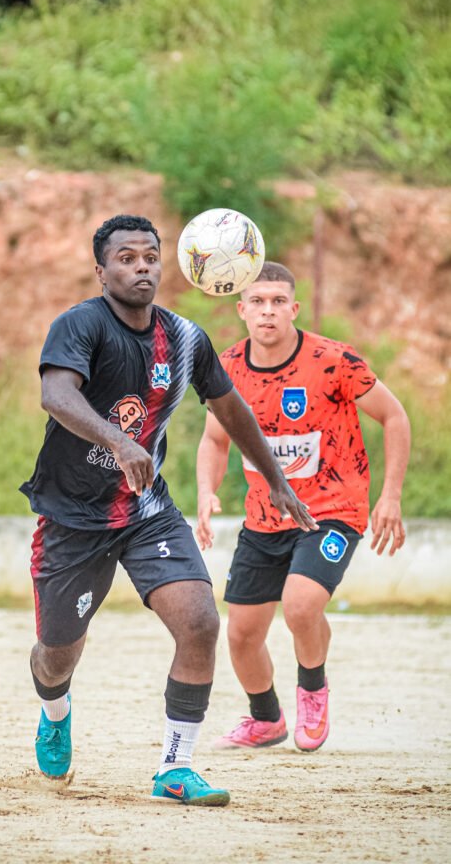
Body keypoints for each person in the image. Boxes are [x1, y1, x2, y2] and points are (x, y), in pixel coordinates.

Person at [20, 216, 316, 805]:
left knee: (201, 622)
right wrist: (122, 442)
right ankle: (56, 711)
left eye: (151, 257)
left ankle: (175, 767)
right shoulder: (80, 325)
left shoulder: (185, 340)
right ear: (100, 268)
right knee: (57, 655)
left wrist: (277, 480)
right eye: (126, 258)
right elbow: (56, 395)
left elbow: (232, 411)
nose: (141, 267)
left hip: (146, 511)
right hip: (73, 517)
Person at [196, 261, 410, 752]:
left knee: (300, 605)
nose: (267, 311)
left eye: (277, 302)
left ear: (294, 308)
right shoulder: (226, 368)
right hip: (264, 518)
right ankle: (266, 720)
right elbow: (214, 441)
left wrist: (391, 496)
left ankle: (313, 690)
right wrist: (207, 492)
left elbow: (394, 417)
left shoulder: (333, 361)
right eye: (257, 302)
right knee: (242, 635)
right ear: (242, 310)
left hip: (333, 508)